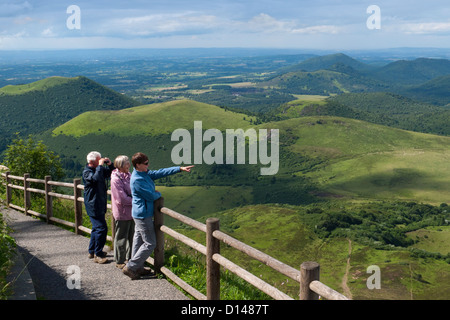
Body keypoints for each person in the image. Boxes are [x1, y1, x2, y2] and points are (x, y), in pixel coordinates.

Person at [122, 152, 193, 280]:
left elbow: (160, 172)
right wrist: (158, 194)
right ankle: (131, 267)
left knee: (138, 241)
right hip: (143, 214)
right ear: (138, 165)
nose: (148, 165)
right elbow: (150, 196)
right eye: (146, 163)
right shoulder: (137, 179)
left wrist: (179, 169)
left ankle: (137, 267)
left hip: (139, 213)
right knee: (150, 243)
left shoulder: (143, 173)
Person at [82, 151, 115, 264]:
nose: (101, 161)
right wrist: (100, 166)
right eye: (99, 160)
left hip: (99, 204)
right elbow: (95, 179)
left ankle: (92, 251)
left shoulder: (98, 170)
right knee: (101, 228)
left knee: (96, 228)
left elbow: (112, 172)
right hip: (93, 205)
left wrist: (110, 164)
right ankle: (98, 253)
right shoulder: (87, 172)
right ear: (92, 162)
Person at [110, 155, 134, 269]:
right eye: (126, 163)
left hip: (131, 211)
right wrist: (136, 201)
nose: (129, 165)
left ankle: (130, 259)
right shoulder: (115, 179)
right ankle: (119, 260)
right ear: (120, 165)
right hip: (122, 212)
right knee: (121, 237)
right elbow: (121, 199)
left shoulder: (128, 175)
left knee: (132, 236)